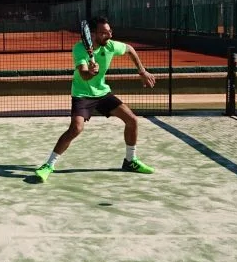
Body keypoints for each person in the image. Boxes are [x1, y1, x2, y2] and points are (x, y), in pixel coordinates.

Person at [35, 17, 157, 182]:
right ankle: (48, 165)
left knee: (132, 120)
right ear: (92, 34)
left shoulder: (112, 46)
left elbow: (130, 49)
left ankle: (130, 161)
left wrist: (142, 71)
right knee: (76, 129)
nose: (108, 35)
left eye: (109, 32)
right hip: (82, 94)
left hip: (102, 93)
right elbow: (84, 75)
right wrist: (91, 72)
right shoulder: (79, 49)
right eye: (103, 33)